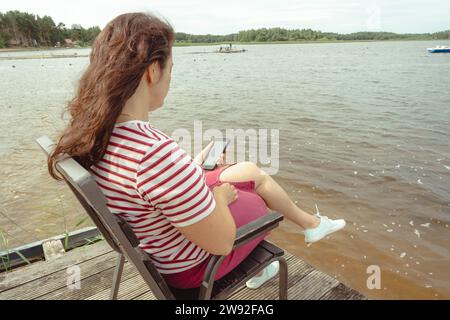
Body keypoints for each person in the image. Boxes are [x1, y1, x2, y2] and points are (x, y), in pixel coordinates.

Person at [48, 12, 345, 290]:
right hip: (193, 267)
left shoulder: (97, 134)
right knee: (255, 198)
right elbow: (222, 242)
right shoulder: (153, 154)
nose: (170, 77)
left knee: (249, 171)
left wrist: (192, 165)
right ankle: (278, 250)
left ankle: (312, 224)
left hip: (161, 238)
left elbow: (146, 184)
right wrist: (219, 197)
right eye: (170, 69)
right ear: (153, 71)